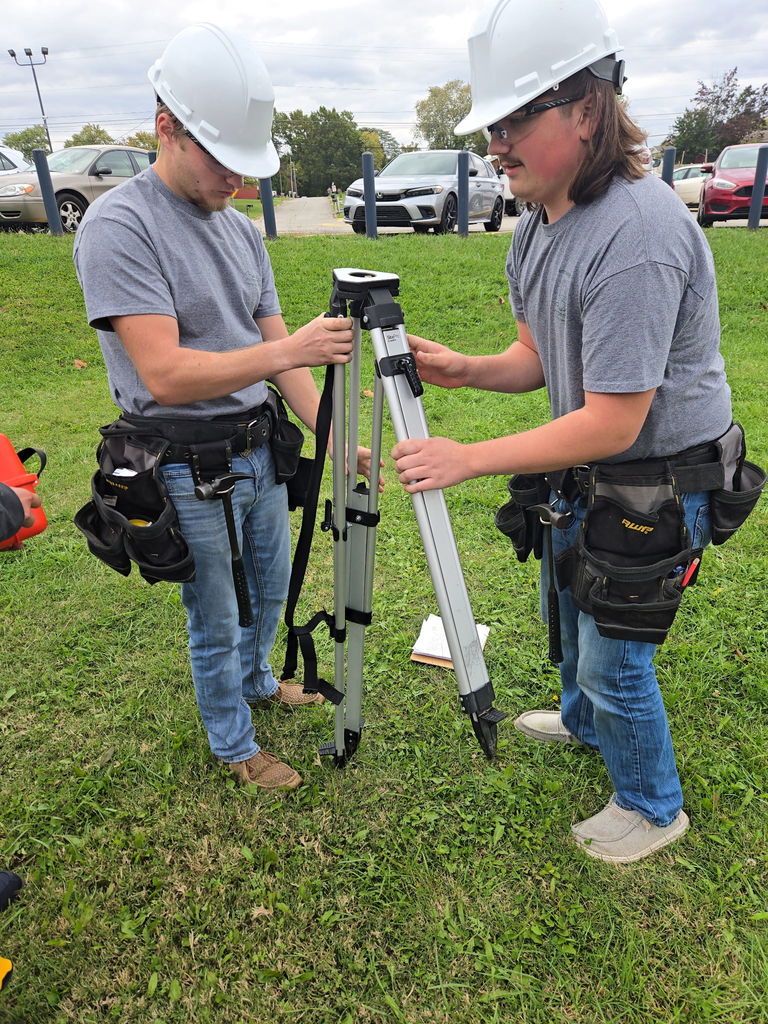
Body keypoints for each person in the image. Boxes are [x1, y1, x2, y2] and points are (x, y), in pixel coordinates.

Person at [392, 0, 751, 862]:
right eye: (495, 124)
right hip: (601, 470)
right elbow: (541, 355)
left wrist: (468, 457)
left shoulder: (637, 235)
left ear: (586, 109)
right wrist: (471, 369)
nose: (496, 144)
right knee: (569, 607)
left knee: (615, 655)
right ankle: (587, 725)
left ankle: (653, 806)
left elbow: (613, 416)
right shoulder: (538, 221)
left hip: (659, 478)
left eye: (517, 118)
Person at [73, 23, 368, 792]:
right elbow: (165, 373)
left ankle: (261, 683)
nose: (239, 181)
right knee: (215, 611)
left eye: (248, 163)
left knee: (268, 588)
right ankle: (234, 743)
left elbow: (279, 347)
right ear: (166, 127)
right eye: (224, 159)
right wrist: (287, 355)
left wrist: (330, 436)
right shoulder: (119, 226)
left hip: (254, 447)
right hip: (177, 463)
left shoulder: (241, 234)